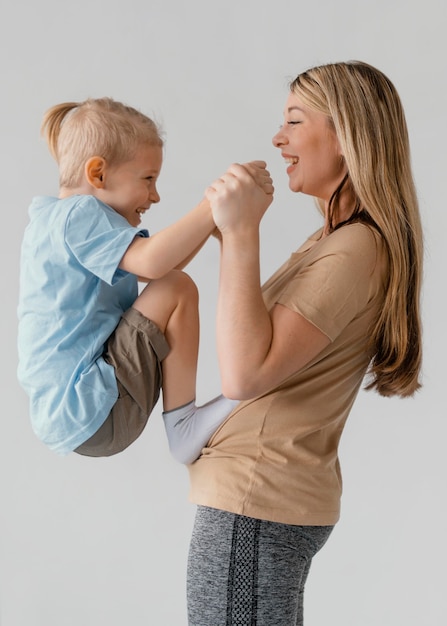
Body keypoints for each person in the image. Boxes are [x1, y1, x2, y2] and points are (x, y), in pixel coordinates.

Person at [183, 61, 423, 625]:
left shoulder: (354, 249)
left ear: (345, 135)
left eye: (295, 120)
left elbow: (244, 374)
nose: (278, 137)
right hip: (256, 502)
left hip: (255, 503)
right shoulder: (334, 241)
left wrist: (242, 233)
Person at [17, 96, 271, 459]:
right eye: (148, 179)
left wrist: (214, 223)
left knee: (173, 286)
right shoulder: (79, 215)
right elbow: (157, 267)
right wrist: (211, 204)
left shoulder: (54, 221)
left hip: (77, 415)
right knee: (177, 288)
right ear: (98, 174)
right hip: (90, 404)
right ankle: (183, 425)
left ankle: (184, 423)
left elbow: (162, 269)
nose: (155, 195)